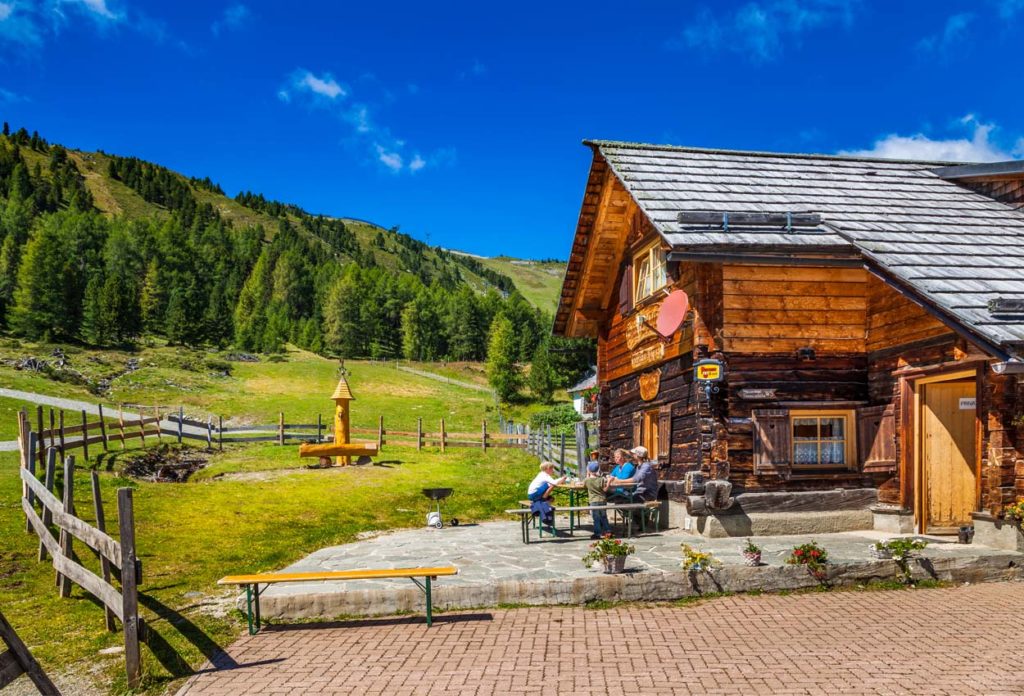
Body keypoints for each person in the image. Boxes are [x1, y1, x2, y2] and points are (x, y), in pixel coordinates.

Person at [527, 461, 564, 531]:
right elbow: (554, 483)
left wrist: (560, 479)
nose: (553, 471)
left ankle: (545, 498)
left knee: (549, 485)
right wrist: (562, 479)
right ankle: (544, 499)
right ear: (547, 469)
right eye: (552, 469)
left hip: (531, 494)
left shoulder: (541, 474)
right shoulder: (545, 475)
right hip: (534, 494)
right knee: (550, 485)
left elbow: (553, 481)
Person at [584, 461, 611, 539]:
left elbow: (584, 485)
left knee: (596, 518)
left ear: (588, 470)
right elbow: (605, 489)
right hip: (602, 500)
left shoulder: (587, 480)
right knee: (603, 516)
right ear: (598, 470)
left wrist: (587, 475)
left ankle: (597, 533)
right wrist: (608, 482)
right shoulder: (601, 479)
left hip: (593, 501)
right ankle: (608, 531)